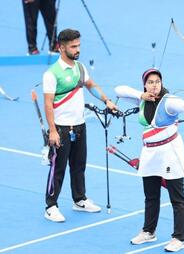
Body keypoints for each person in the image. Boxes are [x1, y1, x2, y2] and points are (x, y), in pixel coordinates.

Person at [114, 68, 184, 252]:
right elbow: (118, 90)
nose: (155, 85)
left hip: (170, 153)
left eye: (157, 82)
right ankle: (148, 231)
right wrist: (141, 95)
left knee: (177, 197)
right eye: (151, 82)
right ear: (145, 84)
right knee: (151, 195)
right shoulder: (142, 99)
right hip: (150, 154)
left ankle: (179, 238)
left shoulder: (169, 101)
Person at [43, 29, 118, 222]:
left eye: (79, 45)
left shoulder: (80, 67)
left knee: (78, 166)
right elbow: (48, 104)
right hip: (61, 128)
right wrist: (52, 130)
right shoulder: (52, 74)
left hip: (79, 125)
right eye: (73, 46)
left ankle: (79, 199)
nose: (77, 50)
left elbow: (91, 86)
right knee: (57, 168)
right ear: (61, 48)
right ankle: (51, 206)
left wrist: (106, 101)